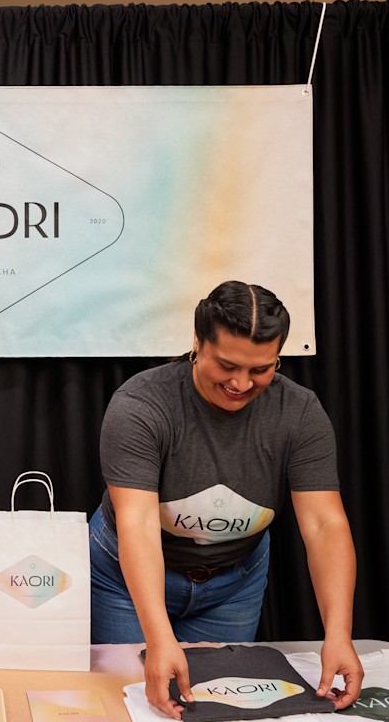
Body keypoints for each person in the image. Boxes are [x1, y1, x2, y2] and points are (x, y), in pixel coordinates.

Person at [89, 280, 363, 719]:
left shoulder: (300, 412)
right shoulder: (141, 404)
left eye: (261, 369)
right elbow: (137, 524)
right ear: (197, 343)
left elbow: (324, 525)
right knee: (132, 702)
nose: (241, 383)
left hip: (233, 583)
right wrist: (159, 640)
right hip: (123, 575)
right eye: (227, 365)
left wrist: (338, 633)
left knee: (218, 709)